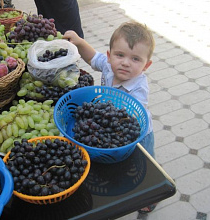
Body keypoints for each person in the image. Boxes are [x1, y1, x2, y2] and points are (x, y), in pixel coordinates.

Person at [63, 21, 157, 214]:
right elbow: (92, 58)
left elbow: (128, 119)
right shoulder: (108, 66)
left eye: (135, 59)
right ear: (109, 55)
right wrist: (80, 42)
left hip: (138, 136)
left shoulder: (139, 86)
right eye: (119, 55)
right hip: (109, 128)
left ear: (146, 65)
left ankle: (150, 197)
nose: (125, 63)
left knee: (145, 166)